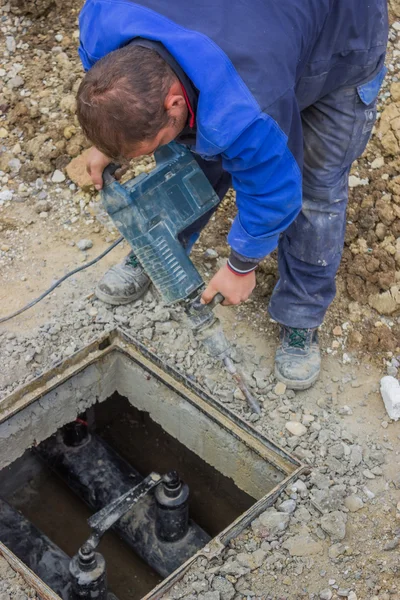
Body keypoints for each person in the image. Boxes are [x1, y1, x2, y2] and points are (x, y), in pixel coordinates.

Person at [76, 0, 388, 390]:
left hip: (338, 43)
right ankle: (162, 252)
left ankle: (301, 314)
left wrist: (242, 265)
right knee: (196, 150)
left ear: (174, 101)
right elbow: (123, 105)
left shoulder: (248, 102)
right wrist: (112, 141)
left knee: (315, 189)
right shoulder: (102, 20)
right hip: (251, 38)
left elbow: (273, 191)